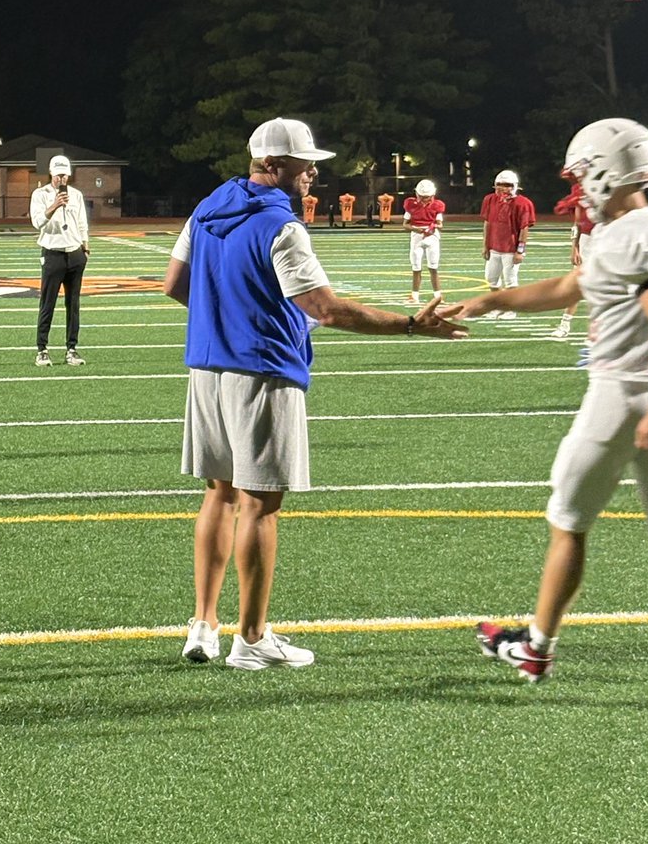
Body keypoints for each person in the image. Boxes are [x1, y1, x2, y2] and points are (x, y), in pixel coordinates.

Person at [442, 117, 648, 703]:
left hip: (626, 397)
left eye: (581, 174)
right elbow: (570, 288)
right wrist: (487, 301)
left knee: (568, 520)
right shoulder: (634, 228)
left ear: (603, 170)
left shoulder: (639, 230)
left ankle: (536, 648)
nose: (578, 187)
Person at [163, 116, 466, 672]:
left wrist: (224, 322)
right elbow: (325, 309)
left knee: (219, 494)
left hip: (206, 369)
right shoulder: (282, 226)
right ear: (275, 166)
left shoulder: (207, 207)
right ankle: (251, 640)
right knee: (260, 505)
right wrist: (409, 325)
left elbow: (174, 284)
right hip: (262, 374)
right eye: (305, 166)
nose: (313, 175)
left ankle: (203, 625)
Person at [29, 155, 89, 367]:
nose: (61, 179)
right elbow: (37, 222)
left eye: (64, 175)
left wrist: (85, 245)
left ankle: (71, 348)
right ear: (51, 174)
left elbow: (82, 222)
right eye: (58, 175)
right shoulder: (40, 194)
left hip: (74, 253)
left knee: (73, 305)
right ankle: (42, 349)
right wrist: (54, 205)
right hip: (52, 252)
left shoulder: (77, 195)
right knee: (48, 303)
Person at [480, 169, 537, 320]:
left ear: (514, 186)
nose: (503, 188)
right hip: (494, 247)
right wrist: (485, 245)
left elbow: (524, 228)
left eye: (507, 185)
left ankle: (512, 309)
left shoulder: (523, 203)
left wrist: (520, 251)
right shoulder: (490, 200)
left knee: (510, 280)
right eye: (500, 185)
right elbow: (487, 223)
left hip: (511, 249)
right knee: (491, 278)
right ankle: (498, 307)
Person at [550, 171, 595, 341]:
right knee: (578, 283)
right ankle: (565, 324)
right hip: (587, 238)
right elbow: (577, 222)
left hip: (607, 237)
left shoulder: (610, 188)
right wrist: (574, 247)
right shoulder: (582, 191)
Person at [403, 179, 445, 304]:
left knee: (433, 267)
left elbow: (440, 224)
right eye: (422, 197)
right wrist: (417, 229)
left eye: (427, 197)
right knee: (416, 267)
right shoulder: (411, 205)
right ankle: (414, 296)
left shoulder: (437, 205)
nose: (424, 200)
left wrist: (432, 228)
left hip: (432, 237)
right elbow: (405, 224)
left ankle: (438, 296)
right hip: (416, 237)